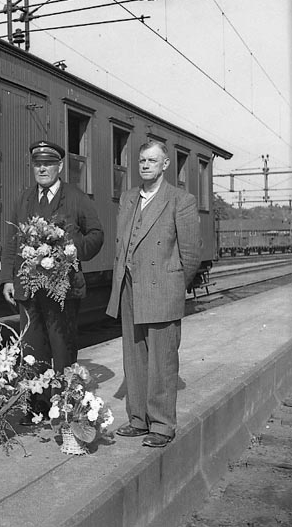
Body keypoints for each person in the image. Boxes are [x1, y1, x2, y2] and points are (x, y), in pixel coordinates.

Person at [106, 141, 201, 448]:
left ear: (165, 165)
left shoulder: (181, 200)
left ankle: (161, 425)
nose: (145, 165)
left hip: (162, 289)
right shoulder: (129, 198)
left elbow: (191, 254)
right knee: (134, 358)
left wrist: (173, 285)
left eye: (152, 160)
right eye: (142, 160)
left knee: (162, 361)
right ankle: (138, 420)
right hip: (129, 288)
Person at [2, 140, 104, 423]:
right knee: (32, 349)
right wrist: (8, 278)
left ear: (59, 166)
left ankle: (66, 407)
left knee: (62, 349)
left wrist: (72, 250)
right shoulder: (24, 198)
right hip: (29, 290)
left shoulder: (75, 197)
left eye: (48, 164)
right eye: (38, 164)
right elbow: (12, 241)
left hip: (64, 289)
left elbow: (97, 234)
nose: (42, 169)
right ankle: (37, 407)